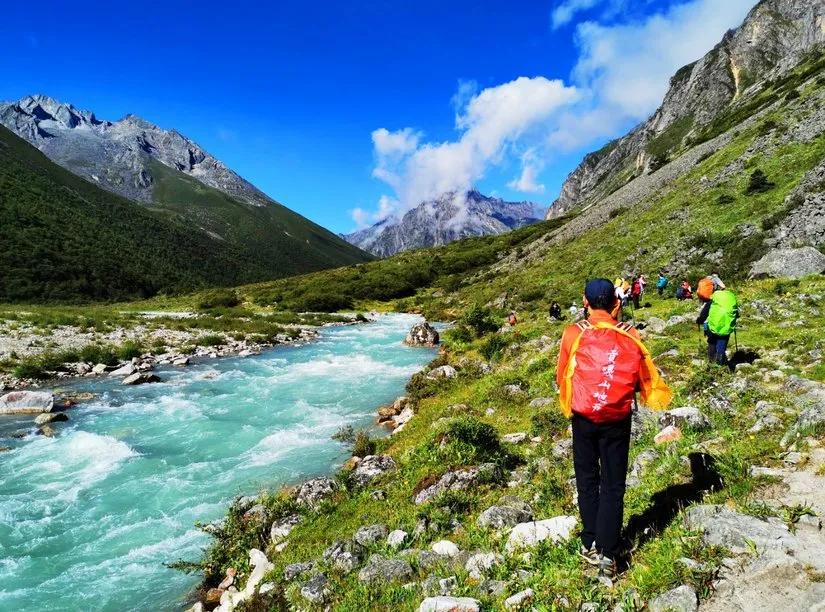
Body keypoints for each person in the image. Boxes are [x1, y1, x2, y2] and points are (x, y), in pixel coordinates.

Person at [556, 279, 673, 583]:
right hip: (616, 418)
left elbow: (562, 375)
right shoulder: (631, 334)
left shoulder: (572, 333)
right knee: (613, 484)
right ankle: (608, 553)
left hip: (582, 416)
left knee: (587, 477)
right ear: (615, 303)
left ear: (585, 301)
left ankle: (590, 540)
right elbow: (637, 376)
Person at [696, 285, 738, 365]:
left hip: (712, 326)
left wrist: (699, 321)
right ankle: (720, 361)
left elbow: (704, 313)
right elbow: (736, 313)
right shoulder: (731, 300)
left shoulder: (713, 300)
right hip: (726, 327)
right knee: (722, 343)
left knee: (712, 343)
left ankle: (712, 363)